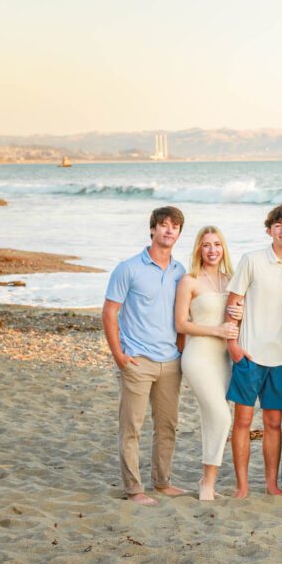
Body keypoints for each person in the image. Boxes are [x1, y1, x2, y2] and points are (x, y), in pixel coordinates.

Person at [102, 206, 188, 506]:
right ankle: (134, 489)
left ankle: (162, 482)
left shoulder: (180, 272)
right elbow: (109, 313)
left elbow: (183, 315)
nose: (168, 231)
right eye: (163, 225)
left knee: (167, 426)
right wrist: (119, 355)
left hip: (171, 362)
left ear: (179, 233)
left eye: (174, 227)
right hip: (137, 360)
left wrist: (181, 346)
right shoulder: (128, 268)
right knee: (132, 427)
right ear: (152, 230)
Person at [225, 205, 282, 498]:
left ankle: (271, 485)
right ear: (269, 230)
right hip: (249, 355)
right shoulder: (252, 260)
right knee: (243, 422)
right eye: (278, 225)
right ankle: (242, 486)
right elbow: (233, 304)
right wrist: (233, 346)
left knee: (273, 423)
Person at [174, 226, 238, 501]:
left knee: (212, 418)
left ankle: (208, 481)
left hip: (223, 359)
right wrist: (217, 331)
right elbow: (181, 324)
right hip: (198, 356)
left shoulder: (232, 280)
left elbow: (237, 322)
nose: (212, 250)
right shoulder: (189, 280)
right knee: (222, 416)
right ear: (198, 249)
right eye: (206, 245)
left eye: (217, 245)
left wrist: (240, 315)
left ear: (223, 249)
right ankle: (207, 481)